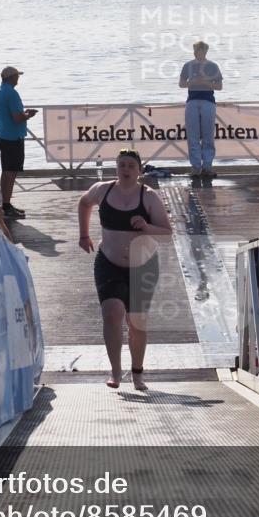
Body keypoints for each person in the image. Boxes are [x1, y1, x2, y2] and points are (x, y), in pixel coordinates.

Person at [77, 150, 173, 391]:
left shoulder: (149, 197)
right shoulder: (103, 190)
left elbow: (167, 232)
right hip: (108, 261)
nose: (126, 169)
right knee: (112, 313)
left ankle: (137, 373)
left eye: (131, 165)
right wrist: (84, 234)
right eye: (122, 165)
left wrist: (147, 226)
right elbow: (84, 202)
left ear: (139, 170)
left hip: (143, 266)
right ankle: (116, 371)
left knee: (136, 322)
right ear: (116, 168)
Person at [0, 66, 38, 219]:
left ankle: (7, 204)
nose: (18, 78)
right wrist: (28, 115)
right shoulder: (11, 93)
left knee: (8, 171)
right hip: (12, 137)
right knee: (10, 172)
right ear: (11, 77)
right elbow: (17, 117)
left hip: (3, 135)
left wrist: (23, 114)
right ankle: (6, 205)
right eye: (17, 76)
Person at [179, 41, 223, 177]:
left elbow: (219, 86)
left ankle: (207, 166)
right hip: (192, 100)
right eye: (196, 50)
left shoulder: (213, 66)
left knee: (208, 135)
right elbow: (181, 84)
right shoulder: (188, 65)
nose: (197, 53)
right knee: (192, 135)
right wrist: (192, 83)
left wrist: (206, 83)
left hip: (208, 101)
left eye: (200, 50)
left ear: (205, 51)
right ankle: (196, 167)